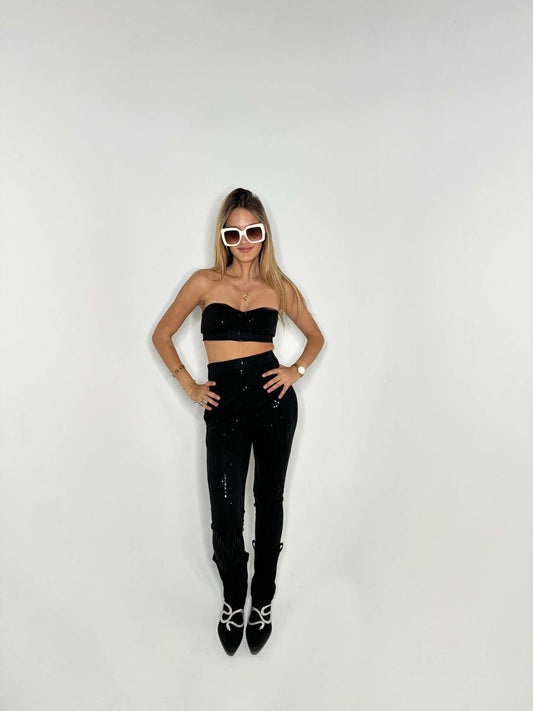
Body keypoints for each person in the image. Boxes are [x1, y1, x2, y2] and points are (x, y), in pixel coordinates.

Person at [152, 187, 325, 655]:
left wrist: (295, 370)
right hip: (224, 405)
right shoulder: (204, 282)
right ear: (223, 237)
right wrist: (190, 385)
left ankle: (262, 597)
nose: (243, 240)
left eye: (252, 231)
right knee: (227, 511)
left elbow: (315, 336)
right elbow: (162, 334)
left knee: (269, 501)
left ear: (264, 233)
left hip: (273, 404)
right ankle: (234, 597)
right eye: (234, 233)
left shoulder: (280, 287)